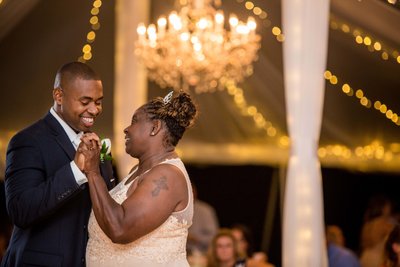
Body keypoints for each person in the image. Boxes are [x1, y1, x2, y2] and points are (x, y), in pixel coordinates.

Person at [1, 62, 115, 267]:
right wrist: (75, 170)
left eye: (98, 102)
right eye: (85, 101)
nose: (94, 110)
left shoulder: (97, 146)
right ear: (59, 96)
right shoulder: (27, 141)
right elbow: (21, 211)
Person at [80, 91, 198, 266]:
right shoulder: (139, 171)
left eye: (135, 121)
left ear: (154, 127)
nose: (126, 128)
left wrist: (93, 172)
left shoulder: (167, 176)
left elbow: (119, 228)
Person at [360, 195, 395, 267]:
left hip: (365, 258)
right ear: (383, 208)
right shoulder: (383, 223)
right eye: (388, 206)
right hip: (377, 260)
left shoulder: (367, 223)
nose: (390, 208)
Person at [187, 183, 220, 254]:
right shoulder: (175, 210)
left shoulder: (205, 210)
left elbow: (214, 236)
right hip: (179, 254)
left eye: (190, 191)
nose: (188, 194)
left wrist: (195, 238)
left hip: (202, 253)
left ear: (195, 192)